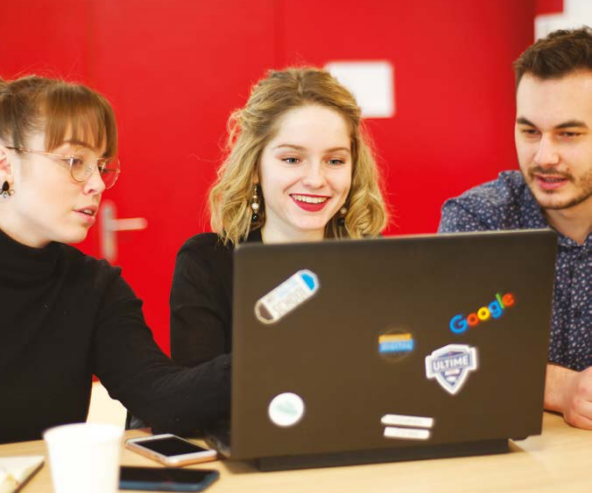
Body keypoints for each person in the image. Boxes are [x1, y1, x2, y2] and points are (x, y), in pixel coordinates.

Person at [0, 75, 231, 444]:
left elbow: (161, 399)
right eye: (75, 161)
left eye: (100, 165)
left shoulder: (94, 287)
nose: (97, 184)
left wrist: (267, 355)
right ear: (6, 164)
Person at [170, 67, 388, 372]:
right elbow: (193, 392)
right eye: (292, 159)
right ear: (255, 167)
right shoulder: (207, 263)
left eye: (335, 160)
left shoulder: (375, 258)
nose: (316, 180)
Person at [438, 28, 592, 429]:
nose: (544, 156)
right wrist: (562, 389)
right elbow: (446, 350)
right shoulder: (478, 221)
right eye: (529, 131)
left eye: (569, 134)